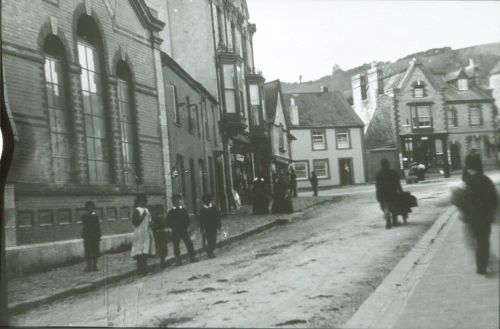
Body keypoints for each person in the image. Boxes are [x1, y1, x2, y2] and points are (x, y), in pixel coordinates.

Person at [461, 155, 498, 275]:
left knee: (476, 241)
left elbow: (465, 201)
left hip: (472, 218)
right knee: (484, 241)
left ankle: (482, 266)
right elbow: (494, 199)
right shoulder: (486, 180)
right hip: (485, 217)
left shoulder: (469, 182)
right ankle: (483, 265)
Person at [165, 194, 198, 266]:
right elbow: (168, 222)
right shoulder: (170, 212)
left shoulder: (183, 210)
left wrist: (186, 227)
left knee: (189, 243)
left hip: (183, 230)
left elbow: (187, 220)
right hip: (175, 231)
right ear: (173, 202)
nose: (177, 202)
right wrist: (173, 227)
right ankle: (178, 260)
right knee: (176, 246)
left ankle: (192, 257)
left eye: (178, 200)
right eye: (175, 201)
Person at [131, 195, 156, 274]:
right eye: (141, 201)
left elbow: (149, 220)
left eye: (144, 201)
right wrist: (143, 216)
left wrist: (151, 223)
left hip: (146, 232)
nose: (143, 202)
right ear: (138, 202)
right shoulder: (137, 210)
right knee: (139, 251)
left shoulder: (146, 210)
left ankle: (145, 268)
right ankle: (140, 269)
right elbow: (135, 222)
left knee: (145, 250)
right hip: (139, 232)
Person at [375, 159, 403, 229]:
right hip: (393, 193)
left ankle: (387, 218)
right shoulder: (393, 172)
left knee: (385, 207)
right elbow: (398, 184)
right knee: (394, 207)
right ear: (388, 164)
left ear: (381, 165)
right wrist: (401, 191)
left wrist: (378, 195)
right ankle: (394, 221)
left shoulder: (378, 174)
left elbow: (377, 186)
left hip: (382, 193)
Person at [198, 194, 222, 258]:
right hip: (207, 227)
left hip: (214, 226)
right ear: (204, 200)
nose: (208, 200)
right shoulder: (202, 209)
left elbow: (217, 216)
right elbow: (201, 220)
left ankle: (211, 251)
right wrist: (201, 228)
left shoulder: (213, 207)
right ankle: (210, 253)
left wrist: (219, 225)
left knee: (214, 240)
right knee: (209, 240)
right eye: (206, 199)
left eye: (209, 199)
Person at [81, 201, 101, 272]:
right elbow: (85, 226)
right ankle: (89, 266)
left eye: (91, 207)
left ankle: (95, 265)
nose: (90, 208)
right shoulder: (84, 216)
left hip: (95, 236)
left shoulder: (95, 216)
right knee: (88, 252)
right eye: (88, 207)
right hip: (87, 236)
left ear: (93, 207)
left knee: (95, 251)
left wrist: (99, 235)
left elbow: (98, 226)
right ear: (86, 208)